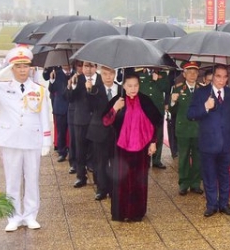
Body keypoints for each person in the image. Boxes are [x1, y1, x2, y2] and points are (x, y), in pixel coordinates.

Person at [0, 45, 52, 231]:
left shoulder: (39, 90)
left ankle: (30, 215)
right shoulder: (1, 88)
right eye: (18, 66)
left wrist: (46, 141)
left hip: (32, 139)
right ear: (12, 68)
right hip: (10, 140)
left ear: (30, 68)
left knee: (32, 178)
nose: (22, 70)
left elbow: (44, 116)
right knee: (12, 179)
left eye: (25, 66)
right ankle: (14, 217)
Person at [102, 72, 162, 221]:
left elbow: (157, 121)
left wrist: (153, 142)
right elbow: (105, 121)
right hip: (121, 148)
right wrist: (115, 108)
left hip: (141, 148)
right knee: (121, 181)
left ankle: (137, 213)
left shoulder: (145, 100)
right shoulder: (118, 100)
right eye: (129, 86)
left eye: (136, 85)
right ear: (123, 86)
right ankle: (121, 213)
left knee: (139, 181)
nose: (133, 88)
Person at [188, 64, 230, 217]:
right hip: (208, 143)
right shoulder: (201, 93)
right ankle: (211, 205)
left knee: (224, 175)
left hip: (226, 142)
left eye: (224, 77)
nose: (221, 80)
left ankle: (224, 204)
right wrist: (205, 107)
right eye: (218, 76)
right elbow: (190, 114)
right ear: (212, 77)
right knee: (209, 175)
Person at [169, 61, 204, 196]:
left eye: (195, 72)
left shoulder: (202, 89)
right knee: (183, 157)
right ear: (184, 74)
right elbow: (172, 111)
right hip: (183, 129)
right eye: (189, 72)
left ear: (198, 74)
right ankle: (183, 183)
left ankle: (195, 183)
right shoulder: (177, 89)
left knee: (197, 157)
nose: (192, 75)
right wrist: (172, 101)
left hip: (198, 129)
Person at [87, 66, 119, 200]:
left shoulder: (122, 89)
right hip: (99, 131)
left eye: (111, 73)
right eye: (105, 74)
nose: (108, 77)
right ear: (100, 74)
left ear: (115, 73)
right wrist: (89, 90)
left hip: (117, 133)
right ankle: (101, 189)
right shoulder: (95, 90)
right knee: (101, 162)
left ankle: (114, 188)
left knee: (115, 161)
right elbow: (90, 107)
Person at [65, 61, 99, 188]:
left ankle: (97, 175)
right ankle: (80, 176)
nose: (88, 69)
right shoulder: (76, 79)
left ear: (96, 67)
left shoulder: (100, 79)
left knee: (95, 150)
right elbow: (69, 98)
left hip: (96, 120)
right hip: (80, 119)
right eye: (85, 66)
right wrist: (71, 86)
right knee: (80, 149)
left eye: (91, 66)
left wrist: (91, 89)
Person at [136, 68, 171, 169]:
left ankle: (156, 160)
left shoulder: (162, 73)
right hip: (143, 109)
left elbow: (167, 88)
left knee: (158, 135)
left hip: (158, 109)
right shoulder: (138, 72)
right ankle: (143, 159)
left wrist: (157, 80)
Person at [48, 65, 72, 162]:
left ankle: (72, 152)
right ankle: (62, 152)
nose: (66, 65)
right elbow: (52, 90)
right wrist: (52, 80)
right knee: (61, 132)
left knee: (73, 133)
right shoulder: (56, 74)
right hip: (60, 107)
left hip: (73, 107)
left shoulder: (75, 73)